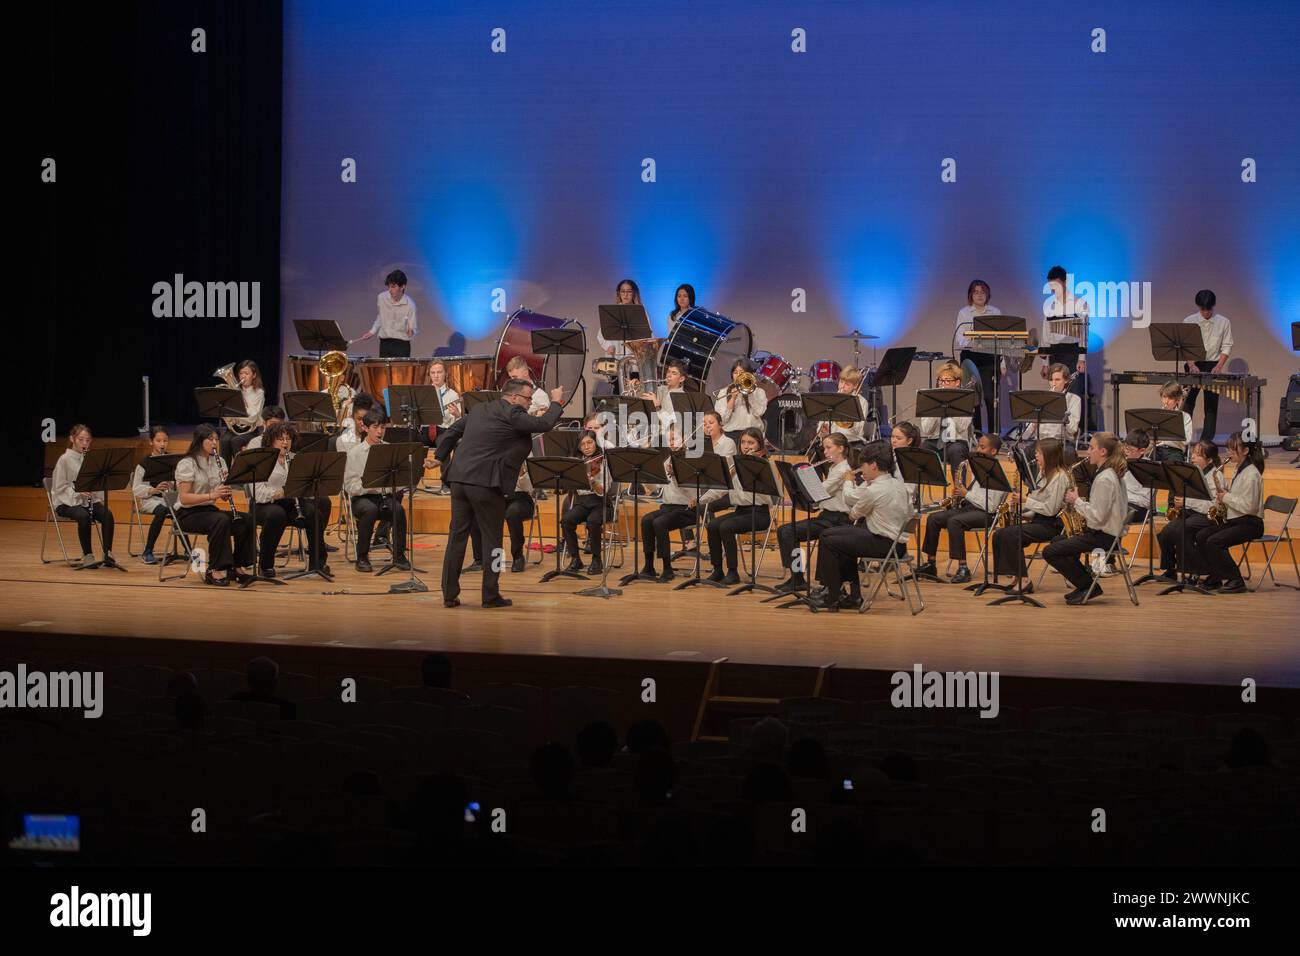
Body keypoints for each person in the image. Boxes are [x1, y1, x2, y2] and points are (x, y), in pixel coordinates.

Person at [436, 378, 565, 607]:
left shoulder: (479, 409)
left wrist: (438, 458)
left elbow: (453, 431)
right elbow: (545, 423)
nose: (529, 404)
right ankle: (491, 594)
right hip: (486, 484)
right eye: (527, 399)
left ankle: (448, 593)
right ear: (514, 397)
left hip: (459, 480)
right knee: (494, 542)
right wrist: (556, 402)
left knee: (457, 537)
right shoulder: (512, 413)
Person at [812, 440, 912, 611]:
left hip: (883, 544)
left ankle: (833, 596)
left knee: (829, 539)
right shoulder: (898, 484)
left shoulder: (873, 489)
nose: (861, 470)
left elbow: (852, 515)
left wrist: (850, 484)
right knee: (835, 536)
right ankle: (853, 595)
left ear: (873, 465)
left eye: (863, 466)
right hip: (898, 544)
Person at [1043, 432, 1129, 604]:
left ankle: (1088, 586)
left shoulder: (1104, 478)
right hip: (1108, 534)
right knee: (1058, 540)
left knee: (1049, 552)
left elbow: (1097, 518)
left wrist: (1077, 502)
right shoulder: (1111, 473)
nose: (1087, 451)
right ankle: (1084, 586)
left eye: (1091, 447)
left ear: (1103, 451)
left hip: (1104, 537)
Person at [915, 432, 1007, 584]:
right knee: (933, 518)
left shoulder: (998, 473)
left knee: (955, 521)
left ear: (993, 452)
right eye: (978, 446)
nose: (977, 450)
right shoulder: (980, 468)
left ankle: (963, 568)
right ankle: (931, 563)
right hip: (971, 509)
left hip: (986, 514)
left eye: (982, 447)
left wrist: (966, 494)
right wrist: (962, 496)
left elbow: (990, 506)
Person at [173, 424, 257, 586]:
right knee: (220, 520)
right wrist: (213, 494)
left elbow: (221, 498)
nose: (214, 443)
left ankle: (237, 566)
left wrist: (226, 489)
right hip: (187, 514)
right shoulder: (187, 463)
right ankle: (214, 569)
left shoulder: (220, 461)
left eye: (216, 439)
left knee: (246, 520)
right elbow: (184, 498)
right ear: (199, 441)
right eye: (210, 439)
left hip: (209, 511)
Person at [774, 434, 856, 593]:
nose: (825, 452)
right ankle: (797, 577)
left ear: (841, 448)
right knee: (786, 531)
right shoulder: (834, 467)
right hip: (826, 517)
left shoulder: (843, 470)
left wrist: (803, 476)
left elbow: (819, 492)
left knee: (788, 531)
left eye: (829, 447)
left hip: (837, 520)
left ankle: (798, 579)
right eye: (824, 448)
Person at [252, 422, 332, 577]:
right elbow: (258, 493)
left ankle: (318, 563)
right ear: (270, 440)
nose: (285, 442)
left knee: (313, 513)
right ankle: (265, 565)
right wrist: (281, 492)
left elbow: (304, 485)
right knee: (276, 515)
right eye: (280, 439)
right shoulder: (261, 460)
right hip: (265, 504)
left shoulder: (295, 459)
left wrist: (307, 487)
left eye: (288, 439)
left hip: (291, 502)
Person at [991, 437, 1069, 589]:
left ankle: (1024, 581)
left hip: (1053, 525)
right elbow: (1041, 500)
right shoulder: (1045, 473)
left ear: (1049, 455)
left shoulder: (1060, 477)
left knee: (1012, 534)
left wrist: (1026, 500)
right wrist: (1027, 514)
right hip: (1041, 520)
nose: (1036, 457)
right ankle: (1015, 576)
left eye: (1039, 453)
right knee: (1000, 534)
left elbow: (1051, 509)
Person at [700, 428, 772, 586]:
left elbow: (771, 493)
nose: (746, 446)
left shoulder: (763, 465)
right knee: (712, 525)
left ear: (759, 445)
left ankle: (733, 572)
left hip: (759, 514)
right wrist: (700, 499)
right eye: (744, 442)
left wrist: (752, 468)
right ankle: (717, 569)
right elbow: (720, 488)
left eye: (751, 443)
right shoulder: (734, 463)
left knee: (726, 527)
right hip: (741, 511)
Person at [1194, 431, 1264, 593]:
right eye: (1228, 449)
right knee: (1202, 535)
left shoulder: (1251, 474)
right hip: (1236, 519)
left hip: (1250, 523)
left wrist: (1226, 497)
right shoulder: (1239, 469)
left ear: (1245, 451)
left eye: (1233, 449)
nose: (1229, 453)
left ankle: (1236, 580)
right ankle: (1216, 576)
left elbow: (1250, 507)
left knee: (1215, 541)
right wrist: (1222, 501)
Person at [343, 409, 411, 573]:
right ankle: (362, 556)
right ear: (365, 428)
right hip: (362, 498)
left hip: (384, 496)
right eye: (375, 427)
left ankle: (399, 555)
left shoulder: (390, 449)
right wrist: (369, 486)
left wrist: (398, 483)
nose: (380, 431)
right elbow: (349, 486)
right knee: (370, 510)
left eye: (383, 427)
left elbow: (399, 478)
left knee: (399, 510)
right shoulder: (355, 453)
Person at [638, 427, 702, 583]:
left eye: (675, 439)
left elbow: (694, 495)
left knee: (660, 523)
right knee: (646, 520)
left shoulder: (692, 461)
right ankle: (649, 565)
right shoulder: (667, 460)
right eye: (670, 440)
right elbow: (657, 489)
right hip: (667, 507)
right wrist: (645, 477)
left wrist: (676, 477)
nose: (672, 443)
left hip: (688, 509)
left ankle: (667, 568)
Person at [1156, 440, 1223, 582]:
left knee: (1181, 531)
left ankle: (1194, 570)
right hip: (1191, 513)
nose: (1192, 457)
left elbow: (1212, 506)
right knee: (1165, 533)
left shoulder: (1215, 477)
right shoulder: (1192, 473)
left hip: (1207, 516)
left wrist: (1186, 502)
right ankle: (1170, 569)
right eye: (1193, 453)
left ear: (1209, 460)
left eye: (1198, 455)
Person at [52, 424, 117, 568]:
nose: (85, 443)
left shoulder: (90, 458)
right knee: (83, 516)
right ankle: (88, 554)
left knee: (107, 514)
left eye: (88, 440)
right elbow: (59, 487)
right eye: (81, 440)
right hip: (66, 502)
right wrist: (78, 492)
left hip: (87, 500)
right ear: (72, 439)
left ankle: (107, 553)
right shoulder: (64, 459)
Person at [1181, 289, 1234, 442]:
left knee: (1211, 406)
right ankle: (1183, 440)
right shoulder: (1189, 321)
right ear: (1199, 307)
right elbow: (1184, 346)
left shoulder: (1223, 322)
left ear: (1213, 306)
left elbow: (1227, 345)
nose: (1206, 312)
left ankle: (1205, 442)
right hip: (1193, 363)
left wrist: (1219, 366)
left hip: (1213, 365)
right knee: (1188, 403)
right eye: (1203, 309)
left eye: (1208, 309)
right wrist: (1191, 365)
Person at [560, 431, 612, 576]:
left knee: (593, 521)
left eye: (589, 442)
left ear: (596, 443)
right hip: (582, 503)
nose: (586, 447)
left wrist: (594, 483)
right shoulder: (578, 463)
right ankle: (576, 559)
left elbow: (605, 490)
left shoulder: (604, 461)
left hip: (601, 503)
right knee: (566, 520)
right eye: (582, 444)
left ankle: (597, 560)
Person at [954, 278, 1003, 432]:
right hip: (970, 357)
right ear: (971, 295)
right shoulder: (964, 313)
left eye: (982, 292)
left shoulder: (995, 312)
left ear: (987, 294)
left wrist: (1003, 363)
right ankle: (977, 434)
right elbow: (960, 340)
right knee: (973, 399)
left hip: (989, 357)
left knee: (990, 397)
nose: (979, 295)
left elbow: (1002, 340)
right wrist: (974, 339)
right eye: (976, 292)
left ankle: (994, 434)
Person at [918, 362, 974, 471]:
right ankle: (928, 484)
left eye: (948, 381)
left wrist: (951, 405)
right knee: (925, 447)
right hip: (935, 440)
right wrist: (937, 408)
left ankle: (959, 486)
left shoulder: (965, 399)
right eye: (941, 381)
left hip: (956, 441)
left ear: (957, 382)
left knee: (956, 450)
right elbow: (926, 430)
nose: (943, 384)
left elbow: (962, 427)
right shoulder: (931, 398)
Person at [133, 425, 173, 565]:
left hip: (168, 498)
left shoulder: (171, 460)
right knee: (162, 510)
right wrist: (154, 490)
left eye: (165, 441)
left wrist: (172, 484)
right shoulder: (144, 464)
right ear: (151, 442)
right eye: (158, 441)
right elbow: (136, 489)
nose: (162, 444)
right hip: (150, 499)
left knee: (181, 508)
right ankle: (148, 551)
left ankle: (186, 550)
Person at [356, 269, 417, 357]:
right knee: (384, 370)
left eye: (393, 287)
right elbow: (381, 316)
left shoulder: (410, 304)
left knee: (400, 370)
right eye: (388, 286)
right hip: (385, 343)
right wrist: (372, 331)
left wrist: (411, 331)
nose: (390, 290)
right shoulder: (382, 297)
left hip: (401, 344)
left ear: (402, 287)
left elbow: (412, 328)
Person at [1022, 363, 1081, 453]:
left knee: (1069, 453)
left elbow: (1073, 430)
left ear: (1066, 380)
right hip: (1041, 441)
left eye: (1057, 380)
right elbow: (1026, 435)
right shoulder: (1040, 398)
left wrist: (1061, 410)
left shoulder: (1074, 399)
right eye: (1051, 380)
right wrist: (1033, 423)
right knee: (1026, 453)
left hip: (1061, 442)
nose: (1053, 383)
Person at [814, 366, 874, 447]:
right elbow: (821, 427)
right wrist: (822, 431)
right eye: (841, 382)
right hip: (830, 441)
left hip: (851, 442)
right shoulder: (831, 398)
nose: (842, 386)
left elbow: (858, 430)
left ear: (855, 386)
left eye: (847, 384)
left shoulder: (861, 402)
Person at [220, 360, 266, 462]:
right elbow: (227, 411)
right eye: (241, 373)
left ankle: (240, 470)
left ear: (254, 375)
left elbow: (252, 417)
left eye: (247, 373)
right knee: (224, 440)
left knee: (235, 441)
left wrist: (236, 417)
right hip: (234, 428)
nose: (243, 376)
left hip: (252, 430)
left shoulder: (259, 393)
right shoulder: (234, 391)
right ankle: (224, 472)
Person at [715, 358, 768, 443]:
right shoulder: (724, 392)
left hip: (753, 435)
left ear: (749, 375)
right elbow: (722, 420)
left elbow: (759, 412)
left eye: (742, 372)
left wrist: (749, 393)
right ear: (732, 375)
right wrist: (732, 398)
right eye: (735, 372)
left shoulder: (759, 392)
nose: (739, 375)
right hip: (731, 436)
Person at [597, 279, 643, 360]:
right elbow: (601, 334)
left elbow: (648, 335)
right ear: (619, 294)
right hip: (615, 358)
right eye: (623, 291)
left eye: (629, 291)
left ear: (634, 293)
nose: (626, 294)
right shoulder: (612, 312)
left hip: (634, 359)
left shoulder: (640, 312)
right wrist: (608, 346)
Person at [1152, 382, 1194, 463]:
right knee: (1145, 463)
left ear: (1177, 400)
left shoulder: (1185, 417)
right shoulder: (1157, 415)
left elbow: (1187, 440)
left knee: (1172, 466)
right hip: (1157, 450)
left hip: (1174, 451)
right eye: (1164, 397)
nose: (1166, 401)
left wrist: (1168, 437)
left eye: (1170, 398)